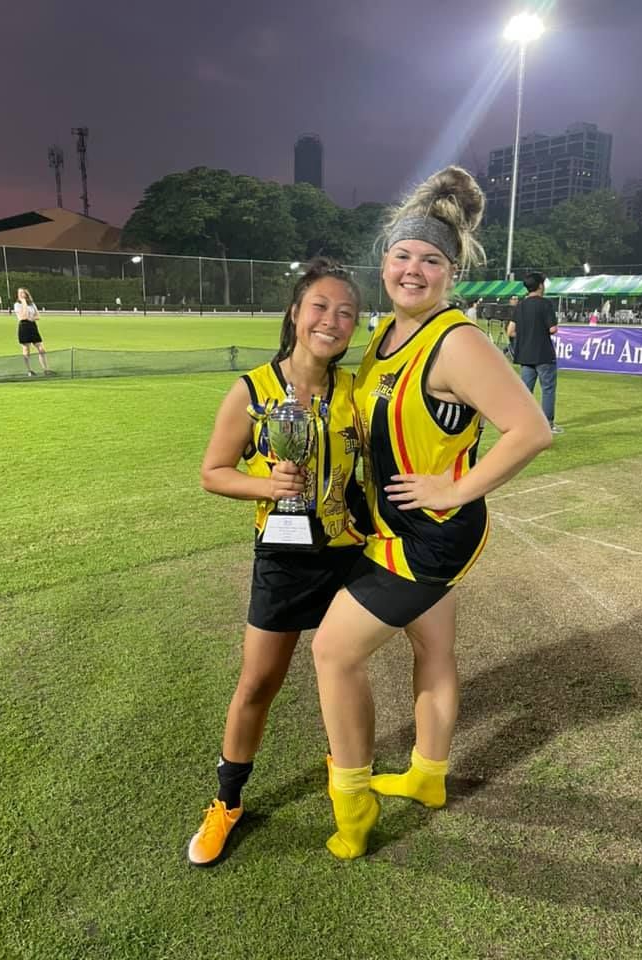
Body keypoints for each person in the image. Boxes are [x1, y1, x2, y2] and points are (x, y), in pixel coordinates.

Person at [310, 166, 552, 860]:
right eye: (403, 255)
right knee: (433, 649)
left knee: (333, 651)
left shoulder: (458, 340)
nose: (413, 268)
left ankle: (352, 806)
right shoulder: (387, 333)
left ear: (452, 273)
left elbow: (531, 429)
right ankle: (429, 776)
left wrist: (453, 490)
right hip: (392, 528)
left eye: (431, 260)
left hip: (432, 535)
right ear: (384, 261)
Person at [187, 258, 367, 867]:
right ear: (295, 312)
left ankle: (346, 774)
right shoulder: (252, 391)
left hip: (350, 554)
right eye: (320, 306)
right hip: (285, 556)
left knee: (342, 674)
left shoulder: (359, 390)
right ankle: (227, 803)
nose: (332, 320)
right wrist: (267, 485)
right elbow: (213, 474)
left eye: (346, 312)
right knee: (258, 683)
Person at [506, 272, 563, 435]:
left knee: (525, 391)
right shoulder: (545, 304)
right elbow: (553, 329)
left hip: (525, 354)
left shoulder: (521, 305)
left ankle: (522, 422)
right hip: (543, 353)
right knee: (548, 389)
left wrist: (526, 334)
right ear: (539, 286)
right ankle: (547, 423)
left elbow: (510, 331)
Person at [13, 288, 51, 376]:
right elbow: (23, 316)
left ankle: (46, 369)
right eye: (19, 293)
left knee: (41, 349)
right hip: (24, 327)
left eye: (22, 293)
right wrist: (24, 303)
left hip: (32, 326)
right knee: (26, 349)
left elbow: (38, 316)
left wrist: (32, 318)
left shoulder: (32, 304)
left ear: (26, 294)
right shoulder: (17, 305)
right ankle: (29, 370)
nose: (21, 294)